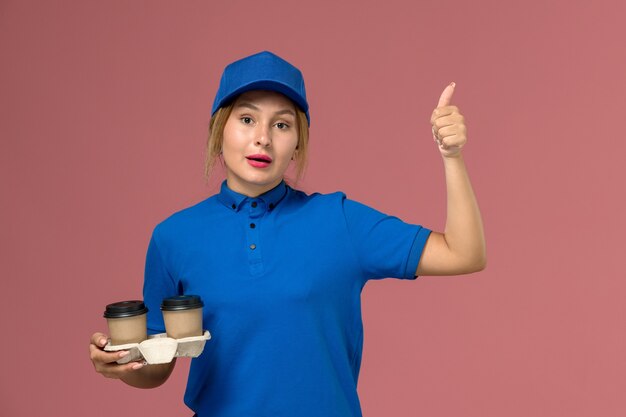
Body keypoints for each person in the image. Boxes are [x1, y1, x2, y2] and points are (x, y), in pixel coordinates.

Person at [89, 51, 486, 417]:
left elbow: (463, 254)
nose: (262, 137)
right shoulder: (173, 237)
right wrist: (121, 365)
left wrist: (452, 158)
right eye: (247, 120)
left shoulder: (339, 220)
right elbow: (157, 366)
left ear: (297, 144)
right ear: (218, 130)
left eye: (282, 124)